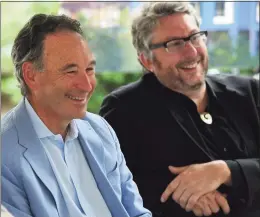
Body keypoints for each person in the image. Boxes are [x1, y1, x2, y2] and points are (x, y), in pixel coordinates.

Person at [100, 2, 260, 217]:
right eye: (174, 44)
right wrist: (182, 197)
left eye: (195, 36)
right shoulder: (124, 109)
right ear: (147, 60)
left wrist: (225, 171)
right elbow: (115, 188)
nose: (191, 51)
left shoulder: (250, 92)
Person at [1, 13, 152, 217]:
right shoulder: (4, 152)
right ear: (31, 75)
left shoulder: (101, 129)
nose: (87, 85)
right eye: (71, 71)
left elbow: (136, 212)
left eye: (89, 69)